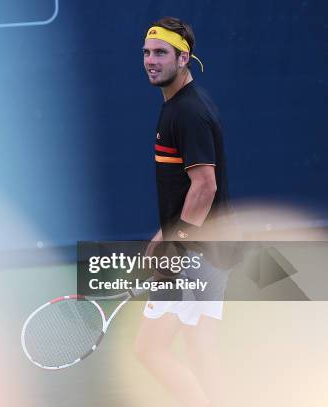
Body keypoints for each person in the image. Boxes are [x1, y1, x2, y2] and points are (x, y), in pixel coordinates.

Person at [135, 17, 232, 407]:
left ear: (184, 57)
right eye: (146, 52)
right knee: (202, 352)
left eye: (161, 53)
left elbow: (205, 186)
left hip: (194, 254)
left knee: (149, 351)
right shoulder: (182, 105)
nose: (151, 61)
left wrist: (176, 244)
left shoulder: (187, 113)